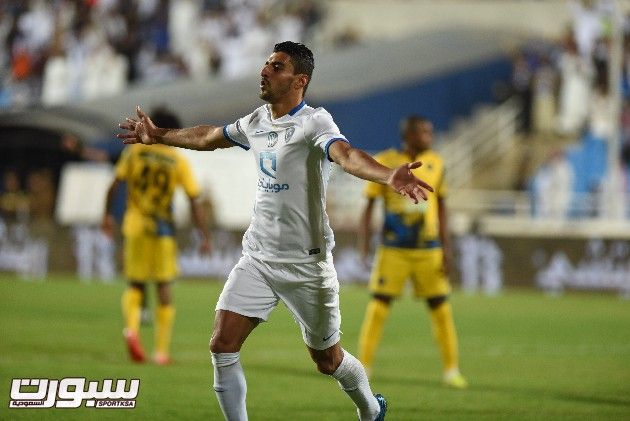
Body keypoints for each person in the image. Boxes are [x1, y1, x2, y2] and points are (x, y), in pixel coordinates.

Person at [117, 41, 433, 421]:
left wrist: (387, 175)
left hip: (306, 265)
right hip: (259, 257)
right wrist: (159, 135)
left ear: (300, 81)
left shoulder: (314, 122)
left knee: (328, 360)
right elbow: (207, 137)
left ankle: (370, 409)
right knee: (222, 344)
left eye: (276, 66)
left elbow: (346, 155)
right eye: (266, 64)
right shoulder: (256, 121)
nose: (264, 71)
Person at [356, 115, 468, 389]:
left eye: (430, 132)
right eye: (424, 132)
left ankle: (451, 370)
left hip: (428, 249)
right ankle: (363, 367)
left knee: (441, 308)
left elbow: (442, 206)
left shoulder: (437, 163)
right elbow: (369, 205)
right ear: (408, 135)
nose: (429, 136)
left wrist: (447, 248)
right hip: (393, 249)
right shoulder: (386, 161)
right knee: (378, 306)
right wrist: (364, 244)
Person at [103, 106, 212, 365]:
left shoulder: (135, 151)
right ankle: (161, 352)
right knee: (163, 286)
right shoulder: (177, 160)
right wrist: (204, 235)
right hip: (162, 228)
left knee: (135, 284)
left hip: (135, 225)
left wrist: (106, 216)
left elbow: (114, 185)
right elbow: (194, 199)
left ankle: (132, 330)